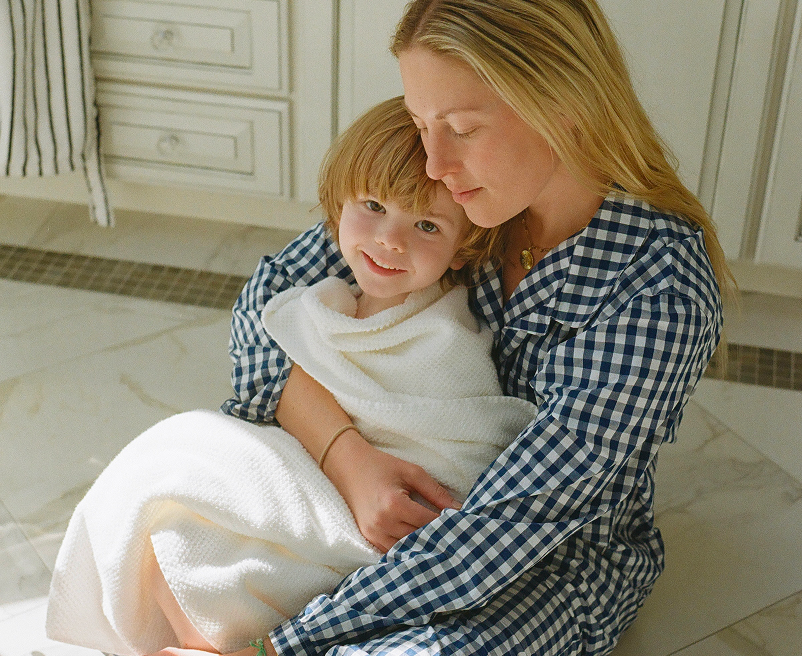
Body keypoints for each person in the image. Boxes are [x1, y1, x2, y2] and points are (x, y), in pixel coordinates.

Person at [197, 1, 733, 655]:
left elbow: (500, 533)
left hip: (542, 564)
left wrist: (282, 646)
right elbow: (264, 312)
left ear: (564, 104)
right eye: (421, 123)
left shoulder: (657, 290)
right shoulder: (463, 195)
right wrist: (348, 458)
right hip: (375, 498)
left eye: (460, 128)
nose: (433, 164)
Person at [45, 96, 536, 656]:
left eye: (426, 225)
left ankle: (208, 645)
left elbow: (457, 447)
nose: (390, 239)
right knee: (168, 500)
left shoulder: (447, 336)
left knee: (189, 496)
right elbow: (266, 391)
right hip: (315, 479)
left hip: (376, 526)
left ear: (460, 250)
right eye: (373, 206)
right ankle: (202, 642)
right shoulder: (324, 302)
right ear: (338, 207)